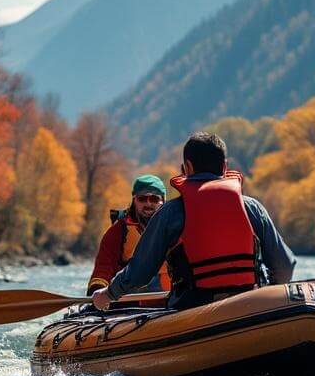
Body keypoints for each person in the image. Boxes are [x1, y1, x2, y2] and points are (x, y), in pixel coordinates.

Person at [91, 131, 295, 311]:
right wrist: (268, 297)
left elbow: (140, 272)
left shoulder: (170, 213)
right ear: (225, 167)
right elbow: (285, 266)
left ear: (186, 167)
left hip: (192, 310)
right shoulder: (253, 208)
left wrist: (108, 294)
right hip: (248, 305)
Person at [86, 174, 171, 296]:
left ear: (163, 201)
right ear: (134, 200)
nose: (148, 204)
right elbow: (104, 266)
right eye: (142, 199)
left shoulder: (175, 226)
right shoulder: (119, 230)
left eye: (154, 199)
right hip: (129, 301)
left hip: (168, 299)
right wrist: (97, 290)